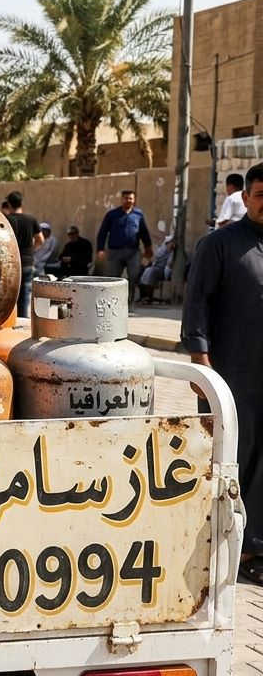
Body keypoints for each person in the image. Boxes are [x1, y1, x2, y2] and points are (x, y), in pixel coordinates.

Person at [183, 163, 263, 582]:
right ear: (245, 198)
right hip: (233, 372)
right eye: (261, 196)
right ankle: (223, 547)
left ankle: (253, 547)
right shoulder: (219, 245)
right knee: (233, 456)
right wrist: (201, 363)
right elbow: (197, 302)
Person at [95, 189, 153, 303]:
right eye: (126, 198)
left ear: (134, 200)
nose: (128, 200)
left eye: (131, 198)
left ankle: (129, 302)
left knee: (134, 277)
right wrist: (100, 249)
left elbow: (144, 233)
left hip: (133, 252)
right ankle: (112, 301)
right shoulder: (112, 215)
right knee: (112, 278)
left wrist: (148, 249)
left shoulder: (138, 215)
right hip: (114, 252)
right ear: (122, 200)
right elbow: (102, 232)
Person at [3, 191, 43, 317]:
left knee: (9, 295)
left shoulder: (6, 220)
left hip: (12, 262)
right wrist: (31, 250)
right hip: (27, 262)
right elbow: (40, 239)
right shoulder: (31, 219)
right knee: (25, 295)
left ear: (9, 204)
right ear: (21, 203)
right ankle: (23, 320)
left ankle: (9, 319)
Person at [137, 233, 173, 304]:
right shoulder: (162, 250)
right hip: (156, 267)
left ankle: (148, 297)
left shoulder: (172, 253)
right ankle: (143, 296)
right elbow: (155, 257)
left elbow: (169, 265)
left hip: (162, 270)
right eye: (168, 243)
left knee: (151, 271)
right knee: (141, 270)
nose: (169, 245)